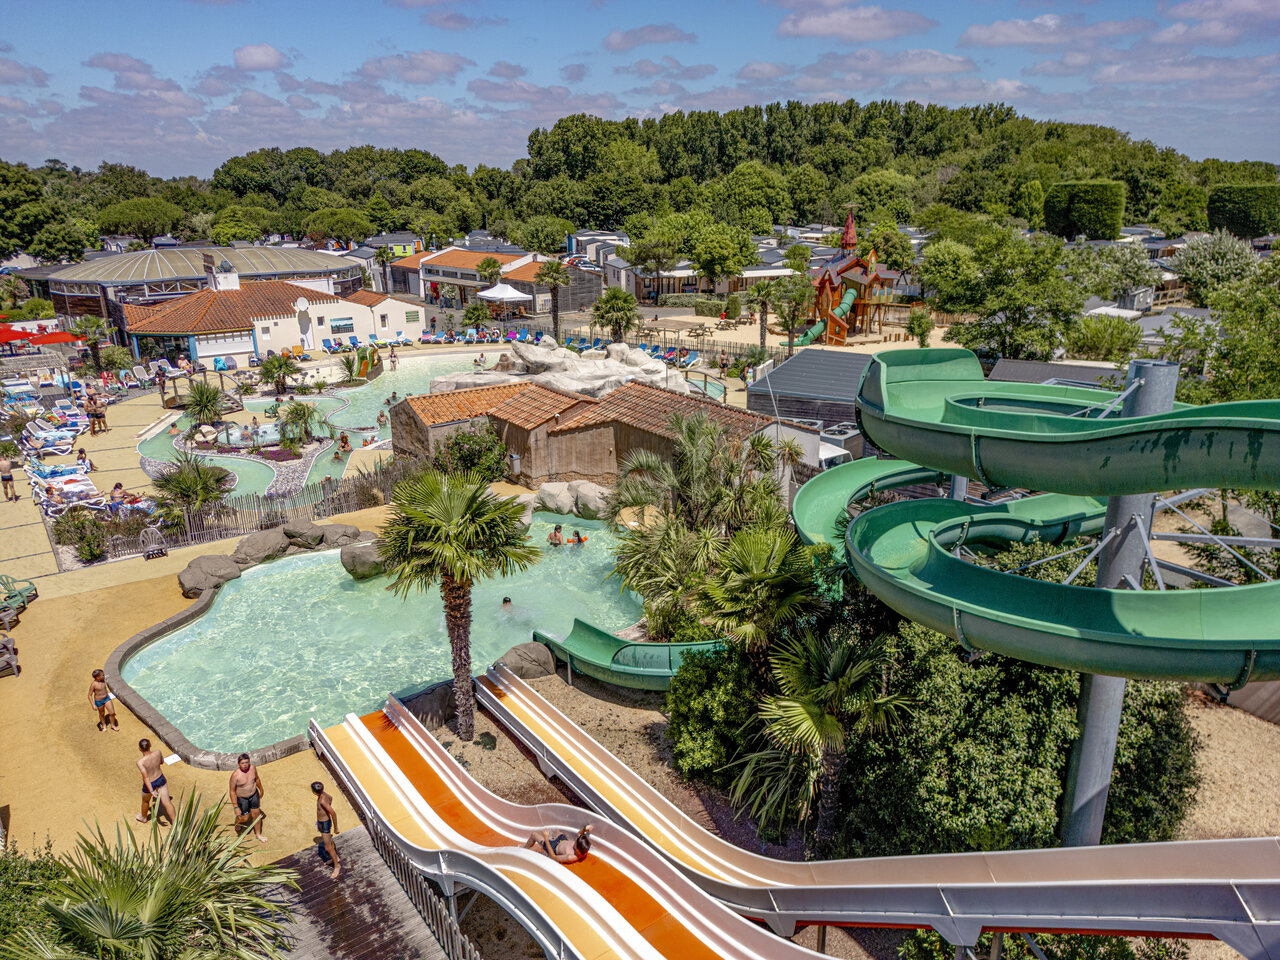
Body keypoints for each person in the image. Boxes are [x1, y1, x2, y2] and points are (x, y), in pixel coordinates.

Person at [229, 753, 267, 842]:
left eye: (247, 762)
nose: (245, 765)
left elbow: (257, 779)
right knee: (245, 818)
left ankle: (258, 834)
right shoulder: (235, 775)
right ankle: (237, 821)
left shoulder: (253, 768)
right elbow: (232, 791)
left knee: (256, 815)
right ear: (238, 764)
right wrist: (235, 807)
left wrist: (261, 789)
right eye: (242, 763)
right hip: (243, 799)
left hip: (254, 795)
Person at [136, 738, 176, 825]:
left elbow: (146, 778)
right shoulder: (158, 752)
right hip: (160, 779)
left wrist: (152, 791)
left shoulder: (140, 762)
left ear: (140, 749)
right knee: (167, 802)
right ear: (150, 745)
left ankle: (143, 818)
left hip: (150, 783)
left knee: (145, 801)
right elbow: (162, 762)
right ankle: (175, 823)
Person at [312, 781, 341, 879]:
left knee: (327, 847)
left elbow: (333, 813)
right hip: (321, 822)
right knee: (329, 841)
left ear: (314, 792)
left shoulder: (322, 801)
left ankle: (337, 866)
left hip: (325, 824)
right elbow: (331, 798)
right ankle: (335, 857)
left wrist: (336, 827)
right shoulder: (324, 795)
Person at [524, 824, 593, 864]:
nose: (575, 840)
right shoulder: (583, 849)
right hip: (562, 839)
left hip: (553, 847)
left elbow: (553, 857)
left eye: (576, 842)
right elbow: (579, 834)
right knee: (554, 825)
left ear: (577, 849)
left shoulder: (571, 857)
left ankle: (523, 849)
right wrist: (585, 829)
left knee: (534, 835)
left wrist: (546, 839)